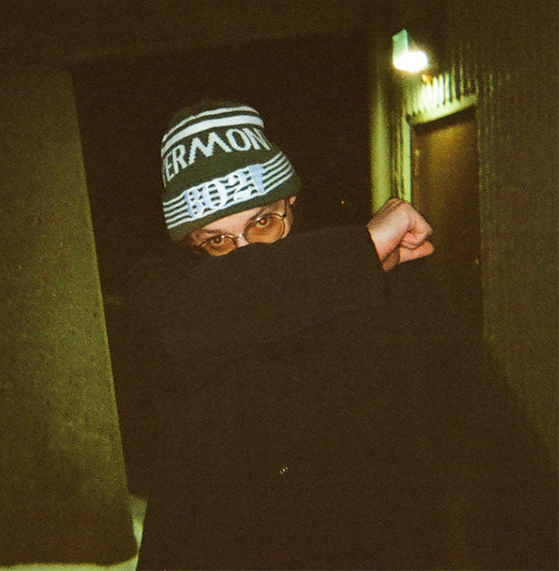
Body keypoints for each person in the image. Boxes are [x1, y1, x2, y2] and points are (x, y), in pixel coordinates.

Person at [121, 101, 556, 570]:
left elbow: (490, 446)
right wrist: (360, 250)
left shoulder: (391, 284)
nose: (247, 255)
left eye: (262, 223)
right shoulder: (177, 302)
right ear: (191, 245)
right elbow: (178, 321)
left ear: (290, 202)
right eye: (218, 241)